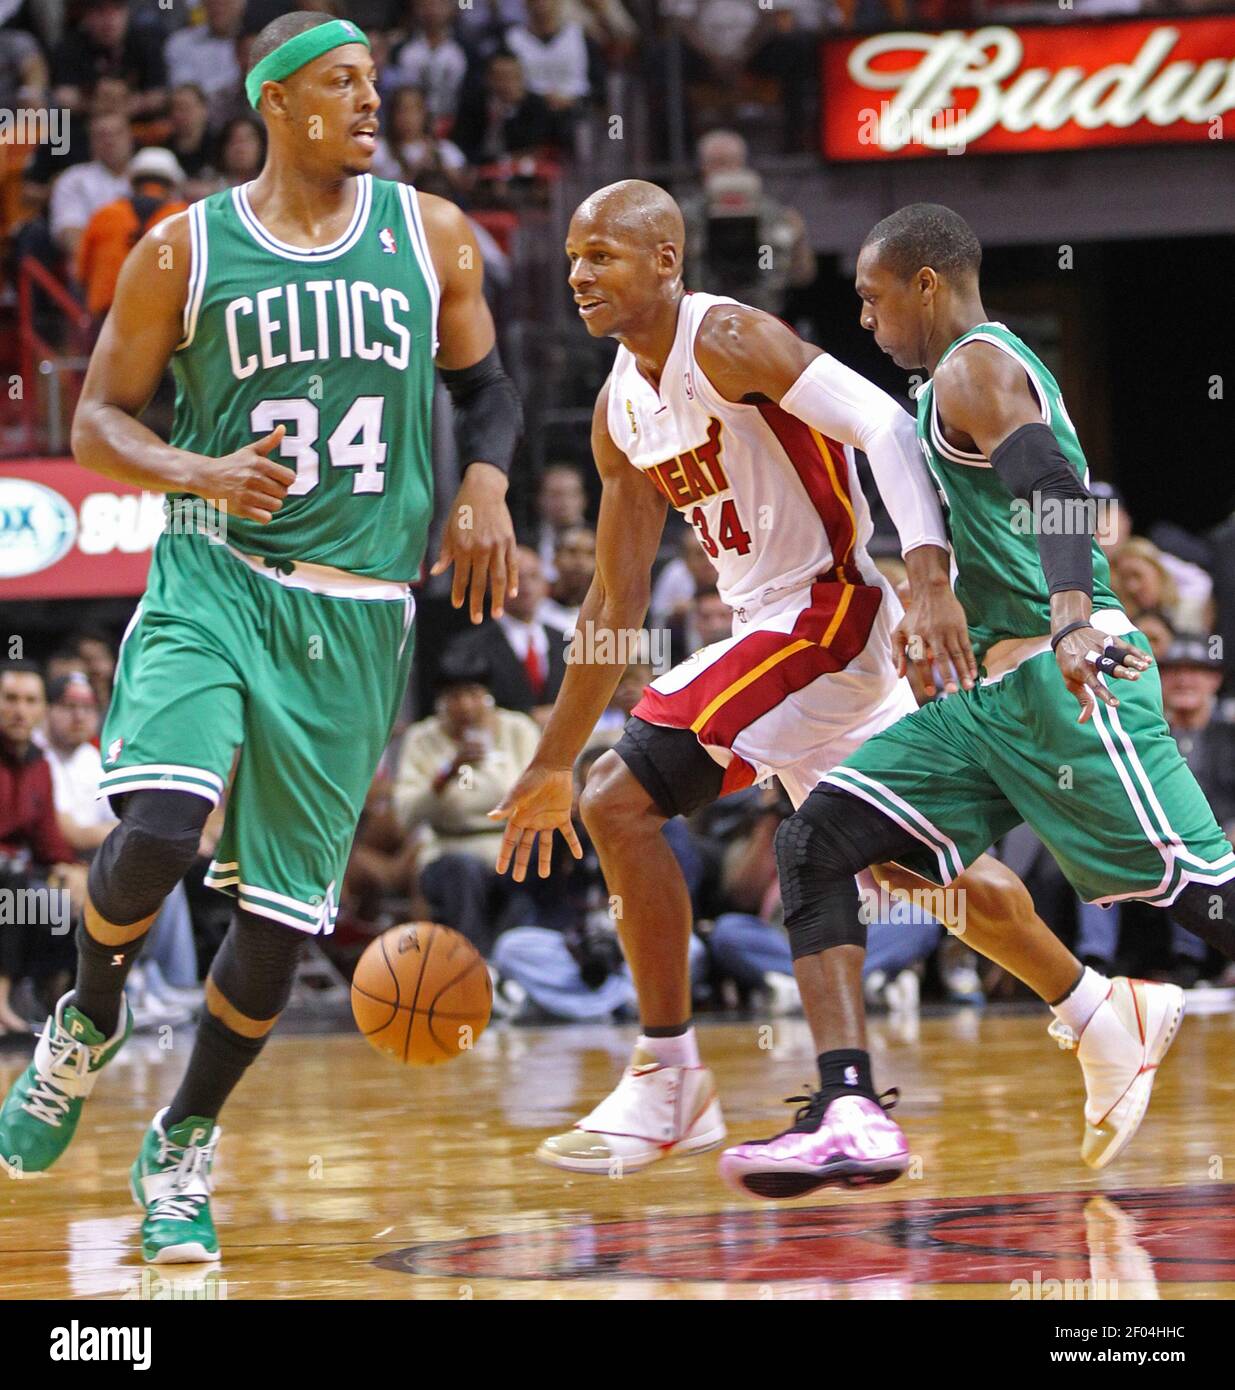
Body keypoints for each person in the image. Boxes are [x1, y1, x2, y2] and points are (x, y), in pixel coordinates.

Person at [491, 181, 1142, 1183]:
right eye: (572, 256)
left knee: (618, 799)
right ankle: (1101, 1011)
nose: (578, 273)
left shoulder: (729, 339)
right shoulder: (618, 408)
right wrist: (543, 755)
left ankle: (670, 1077)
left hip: (828, 607)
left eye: (602, 255)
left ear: (665, 262)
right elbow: (612, 607)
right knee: (903, 867)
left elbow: (883, 424)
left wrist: (926, 579)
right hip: (773, 630)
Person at [0, 11, 520, 1264]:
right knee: (164, 822)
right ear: (274, 101)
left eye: (373, 82)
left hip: (355, 616)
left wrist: (488, 482)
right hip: (215, 572)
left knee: (280, 924)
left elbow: (487, 389)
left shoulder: (430, 234)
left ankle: (179, 1146)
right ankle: (87, 1018)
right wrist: (197, 467)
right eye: (340, 83)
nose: (367, 101)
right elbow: (95, 426)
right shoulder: (184, 250)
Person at [718, 203, 1234, 1198]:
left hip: (1060, 676)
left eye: (871, 298)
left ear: (924, 283)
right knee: (814, 838)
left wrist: (1075, 614)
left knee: (1202, 898)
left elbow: (1051, 481)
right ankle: (845, 1105)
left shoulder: (972, 365)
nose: (863, 319)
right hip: (984, 702)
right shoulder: (936, 391)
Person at [393, 653, 540, 953]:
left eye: (473, 693)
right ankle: (475, 964)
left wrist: (490, 770)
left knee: (530, 870)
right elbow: (406, 814)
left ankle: (515, 962)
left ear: (488, 696)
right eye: (454, 696)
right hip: (449, 848)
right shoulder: (422, 738)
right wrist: (446, 773)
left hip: (509, 843)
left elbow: (536, 794)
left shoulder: (518, 729)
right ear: (441, 701)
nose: (465, 705)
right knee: (464, 872)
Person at [0, 663, 86, 1035]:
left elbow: (50, 843)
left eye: (30, 700)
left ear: (41, 710)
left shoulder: (40, 764)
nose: (20, 710)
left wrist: (73, 870)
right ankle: (1, 1003)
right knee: (16, 880)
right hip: (8, 877)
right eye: (10, 699)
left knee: (65, 902)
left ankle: (59, 1008)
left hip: (15, 881)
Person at [443, 545, 569, 718]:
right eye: (516, 577)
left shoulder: (567, 642)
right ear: (492, 583)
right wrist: (527, 718)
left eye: (534, 576)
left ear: (547, 585)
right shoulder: (469, 647)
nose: (526, 586)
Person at [75, 147, 188, 320]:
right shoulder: (184, 217)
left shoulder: (105, 214)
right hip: (164, 319)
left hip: (108, 319)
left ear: (133, 182)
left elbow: (82, 273)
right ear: (173, 184)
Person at [48, 109, 132, 261]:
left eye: (116, 134)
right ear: (91, 142)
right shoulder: (73, 179)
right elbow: (71, 231)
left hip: (145, 262)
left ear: (129, 137)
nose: (109, 141)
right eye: (101, 135)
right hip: (95, 266)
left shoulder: (152, 174)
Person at [371, 84, 468, 195]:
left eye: (414, 110)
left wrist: (439, 163)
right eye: (402, 110)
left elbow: (462, 188)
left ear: (425, 114)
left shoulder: (444, 148)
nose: (408, 118)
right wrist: (415, 171)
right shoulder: (379, 149)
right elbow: (375, 193)